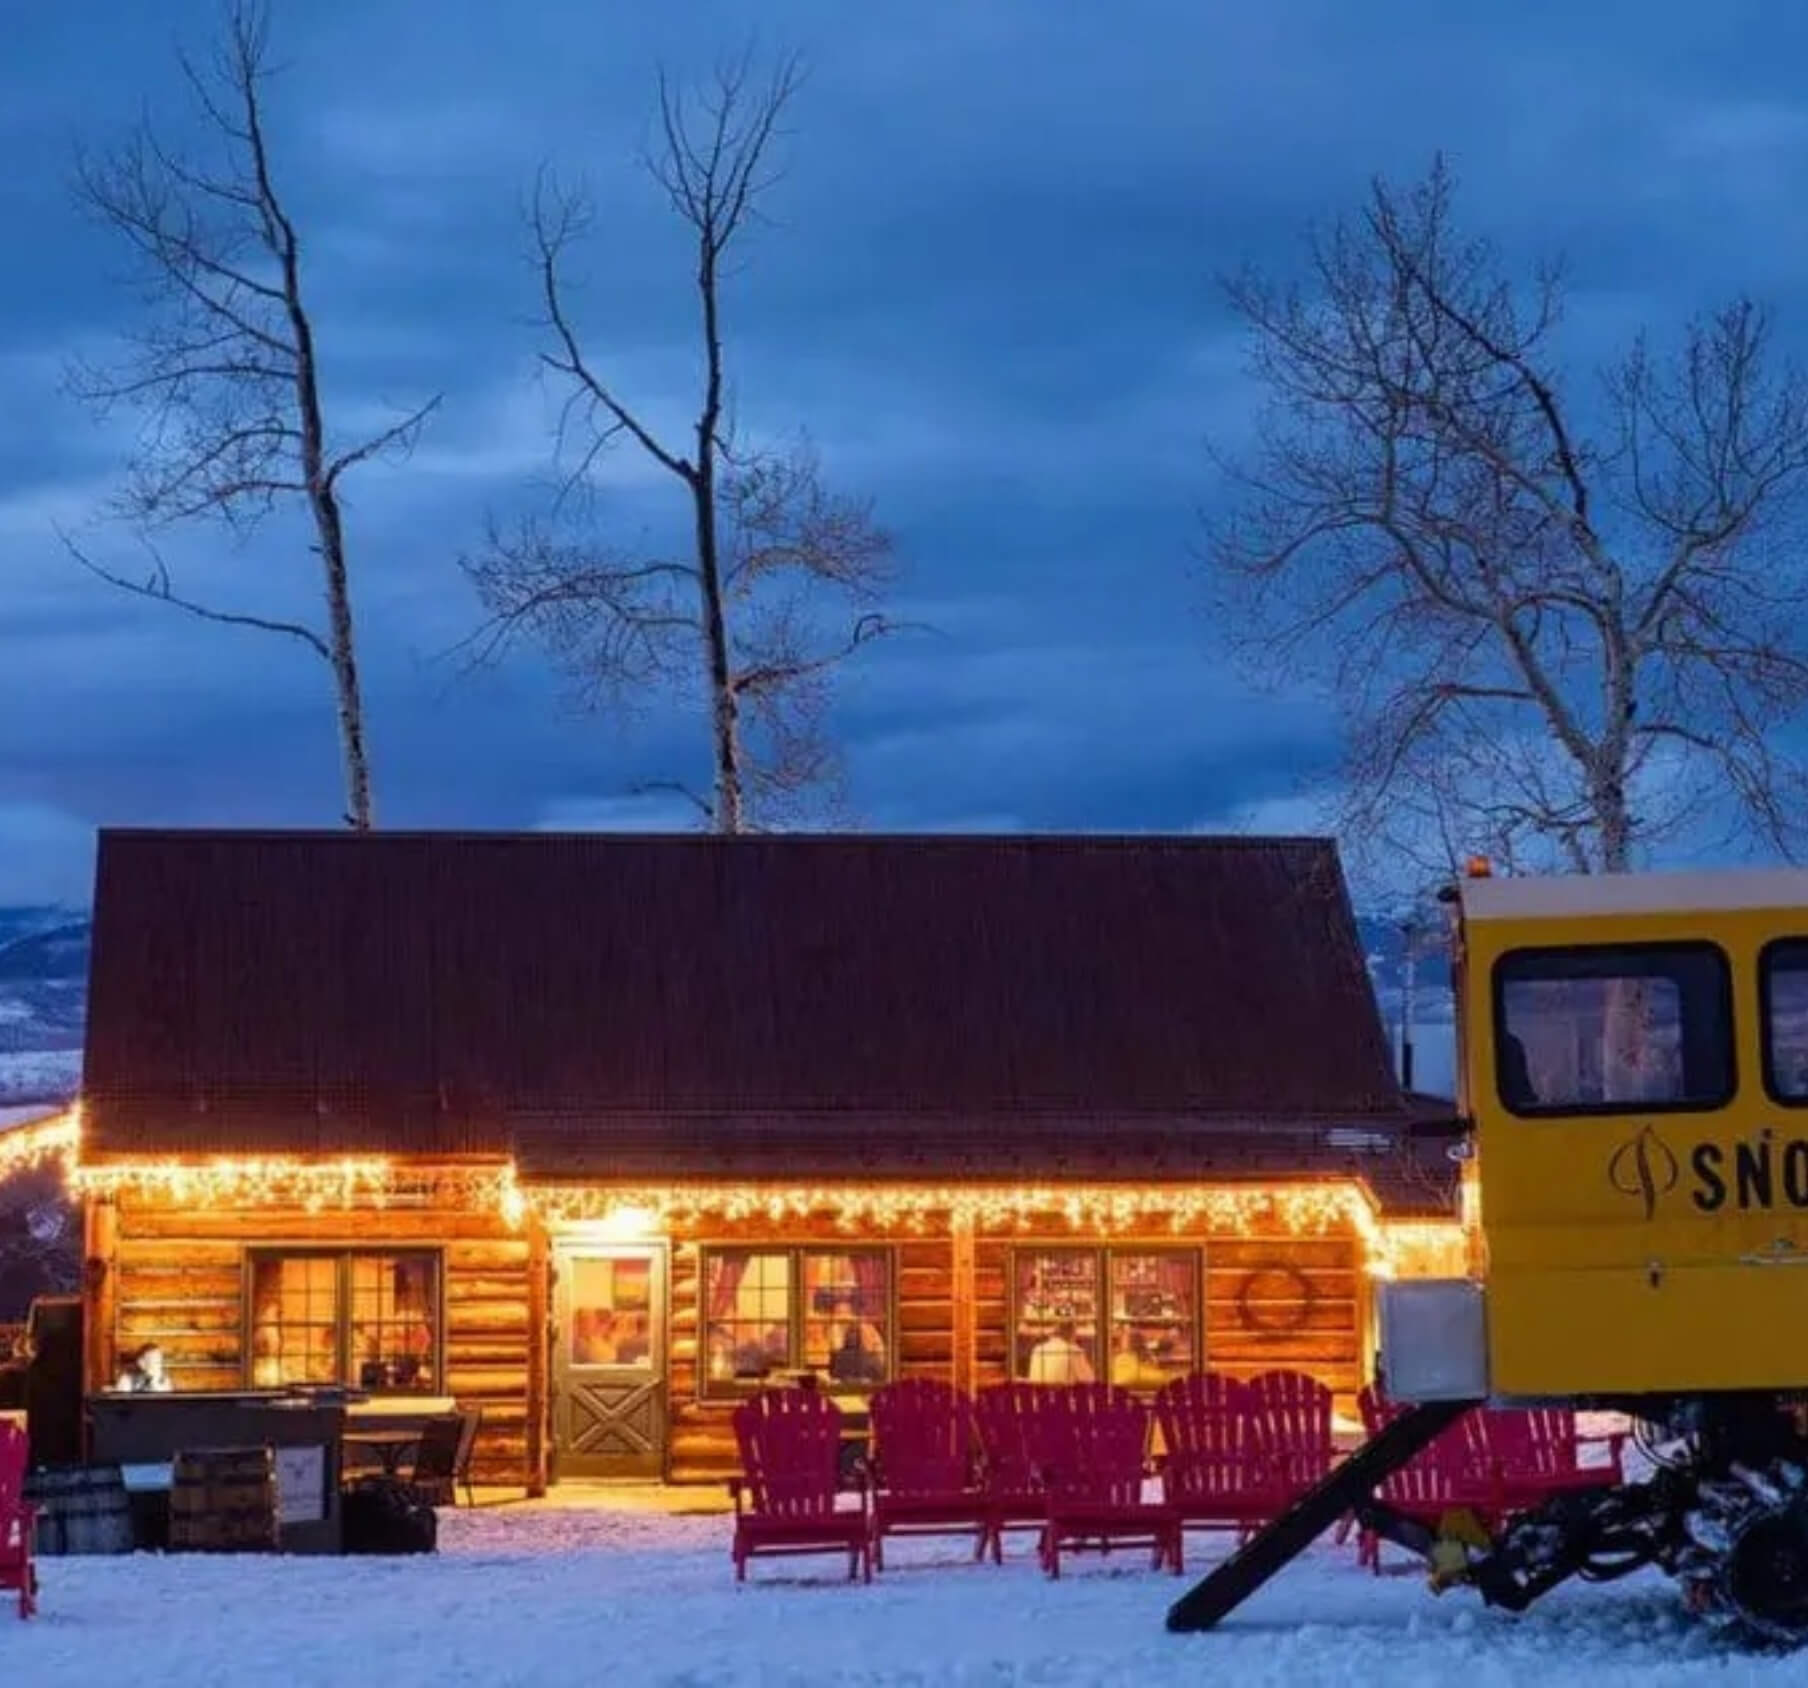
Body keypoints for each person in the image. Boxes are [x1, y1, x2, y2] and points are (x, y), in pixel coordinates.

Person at [1026, 1320, 1094, 1384]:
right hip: (1065, 1395)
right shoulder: (1074, 1351)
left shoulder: (1037, 1350)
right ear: (1071, 1333)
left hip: (1040, 1395)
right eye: (1075, 1334)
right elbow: (1089, 1381)